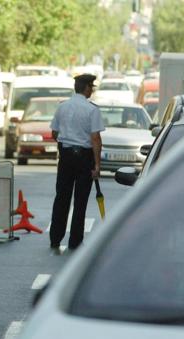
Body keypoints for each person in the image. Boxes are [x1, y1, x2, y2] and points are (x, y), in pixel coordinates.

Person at [49, 74, 105, 251]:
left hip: (66, 156)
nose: (92, 91)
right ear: (87, 88)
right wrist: (97, 166)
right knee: (80, 201)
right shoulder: (92, 110)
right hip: (84, 157)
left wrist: (67, 140)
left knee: (61, 198)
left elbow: (54, 133)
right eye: (92, 88)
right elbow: (95, 139)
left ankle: (55, 238)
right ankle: (74, 242)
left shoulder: (62, 107)